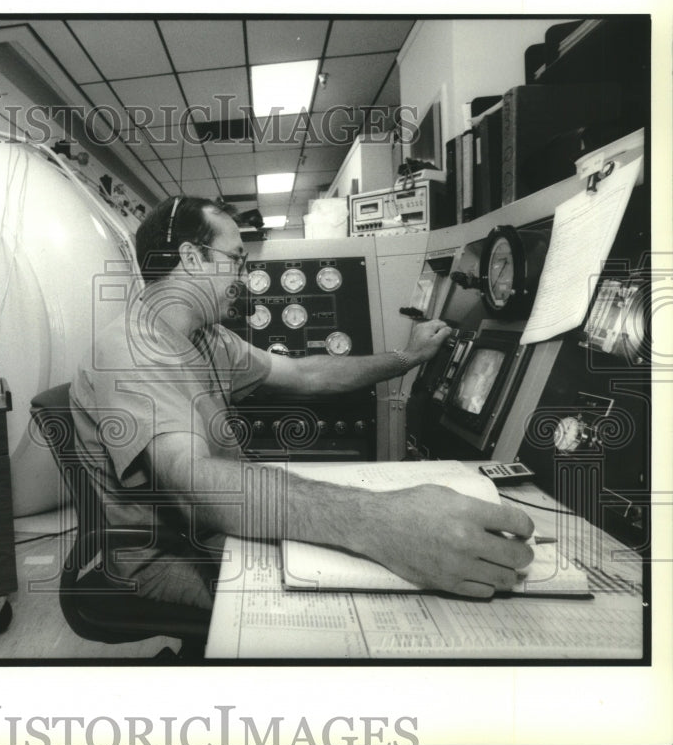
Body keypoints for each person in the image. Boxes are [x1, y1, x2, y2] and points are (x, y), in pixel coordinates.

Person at [69, 195, 535, 610]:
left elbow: (307, 373)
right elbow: (196, 488)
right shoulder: (133, 351)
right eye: (235, 259)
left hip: (214, 530)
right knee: (354, 607)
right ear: (192, 259)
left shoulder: (206, 339)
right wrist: (377, 519)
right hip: (169, 556)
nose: (244, 276)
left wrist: (405, 358)